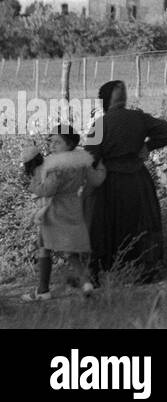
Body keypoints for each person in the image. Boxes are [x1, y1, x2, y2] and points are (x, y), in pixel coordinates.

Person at [83, 80, 167, 284]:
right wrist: (148, 146)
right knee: (142, 223)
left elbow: (90, 158)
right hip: (137, 180)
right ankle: (148, 269)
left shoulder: (100, 125)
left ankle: (94, 272)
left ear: (104, 101)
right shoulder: (138, 118)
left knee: (100, 224)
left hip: (110, 184)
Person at [20, 128, 105, 302]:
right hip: (73, 207)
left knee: (44, 246)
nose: (52, 145)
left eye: (57, 142)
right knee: (70, 251)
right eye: (51, 141)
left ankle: (43, 290)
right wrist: (103, 166)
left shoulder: (55, 166)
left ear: (70, 144)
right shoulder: (82, 162)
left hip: (54, 210)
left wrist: (33, 185)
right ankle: (86, 282)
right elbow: (96, 180)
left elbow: (49, 190)